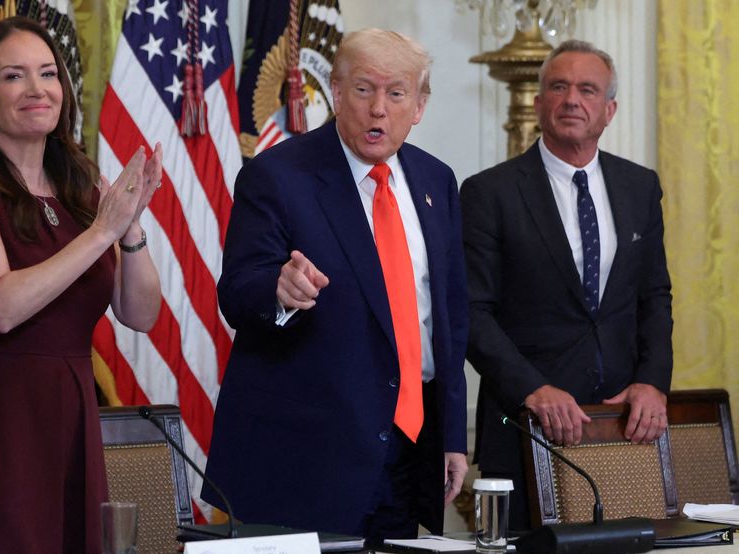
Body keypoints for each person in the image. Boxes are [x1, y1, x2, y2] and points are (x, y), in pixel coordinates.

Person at [202, 28, 468, 541]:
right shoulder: (278, 176)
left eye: (396, 93)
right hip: (305, 460)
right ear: (338, 94)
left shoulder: (437, 182)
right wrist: (278, 291)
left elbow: (451, 319)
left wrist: (452, 435)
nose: (378, 110)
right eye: (364, 90)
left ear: (419, 105)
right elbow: (237, 292)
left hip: (410, 454)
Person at [0, 17, 162, 552]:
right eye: (14, 76)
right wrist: (102, 230)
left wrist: (129, 230)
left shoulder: (79, 189)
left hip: (73, 414)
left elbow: (140, 314)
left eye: (48, 74)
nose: (37, 89)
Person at [461, 39, 673, 530]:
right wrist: (532, 388)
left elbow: (653, 296)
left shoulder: (640, 186)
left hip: (619, 430)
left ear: (609, 110)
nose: (572, 99)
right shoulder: (489, 192)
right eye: (558, 87)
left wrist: (652, 381)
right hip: (524, 431)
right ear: (538, 105)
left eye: (587, 89)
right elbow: (471, 311)